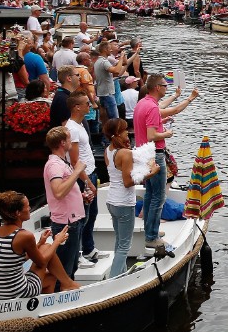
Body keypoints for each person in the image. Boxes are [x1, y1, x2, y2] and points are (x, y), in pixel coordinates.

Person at [134, 73, 199, 253]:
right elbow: (152, 135)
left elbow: (159, 112)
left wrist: (176, 98)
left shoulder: (143, 103)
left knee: (150, 194)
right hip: (155, 154)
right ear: (156, 88)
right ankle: (151, 237)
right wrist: (166, 134)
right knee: (158, 196)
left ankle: (150, 231)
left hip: (144, 154)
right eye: (164, 85)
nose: (166, 87)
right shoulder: (152, 107)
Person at [0, 191, 79, 300]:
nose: (29, 209)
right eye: (27, 206)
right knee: (49, 259)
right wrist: (57, 241)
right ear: (17, 213)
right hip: (17, 294)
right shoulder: (24, 236)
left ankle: (65, 285)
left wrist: (39, 243)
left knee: (46, 252)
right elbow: (42, 262)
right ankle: (67, 284)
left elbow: (13, 259)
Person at [102, 118, 158, 278]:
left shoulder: (108, 151)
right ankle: (113, 281)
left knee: (119, 242)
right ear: (118, 134)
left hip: (111, 201)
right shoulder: (125, 153)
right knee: (125, 246)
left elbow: (119, 175)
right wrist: (150, 174)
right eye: (125, 130)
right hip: (124, 203)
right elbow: (127, 182)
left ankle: (121, 274)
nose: (128, 132)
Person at [43, 126, 86, 279]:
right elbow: (59, 192)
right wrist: (77, 171)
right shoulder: (55, 165)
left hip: (73, 220)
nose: (71, 142)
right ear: (62, 143)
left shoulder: (61, 162)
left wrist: (79, 195)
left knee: (72, 265)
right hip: (66, 223)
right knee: (65, 270)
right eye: (69, 139)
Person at [64, 92, 100, 266]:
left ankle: (89, 247)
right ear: (76, 107)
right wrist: (88, 182)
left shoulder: (80, 125)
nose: (90, 105)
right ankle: (78, 254)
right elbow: (74, 160)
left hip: (91, 172)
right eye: (86, 102)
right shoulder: (72, 129)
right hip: (83, 177)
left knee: (92, 213)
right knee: (82, 216)